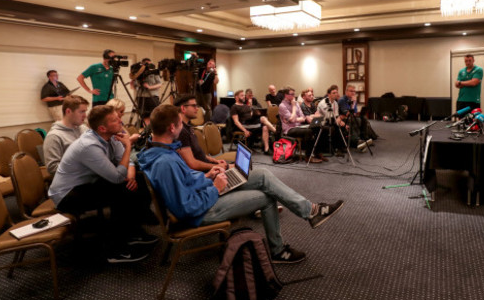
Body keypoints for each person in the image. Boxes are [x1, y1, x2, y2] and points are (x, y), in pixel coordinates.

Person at [137, 104, 344, 263]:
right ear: (172, 127)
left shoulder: (158, 151)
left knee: (261, 174)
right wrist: (215, 189)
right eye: (180, 124)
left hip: (203, 194)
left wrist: (207, 176)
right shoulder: (165, 162)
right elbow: (185, 208)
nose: (183, 127)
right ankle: (278, 250)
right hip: (201, 212)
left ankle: (311, 211)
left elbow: (184, 182)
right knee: (265, 197)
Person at [48, 105, 156, 263]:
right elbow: (118, 176)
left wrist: (131, 175)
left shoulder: (111, 135)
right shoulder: (89, 146)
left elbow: (126, 164)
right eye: (114, 119)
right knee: (120, 190)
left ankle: (133, 231)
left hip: (87, 184)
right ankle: (115, 250)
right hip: (66, 195)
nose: (121, 120)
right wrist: (128, 147)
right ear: (102, 128)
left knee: (137, 179)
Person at [174, 94, 229, 172]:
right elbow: (192, 164)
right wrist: (216, 166)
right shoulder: (181, 131)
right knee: (247, 175)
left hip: (209, 166)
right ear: (183, 108)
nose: (197, 109)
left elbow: (199, 154)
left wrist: (214, 160)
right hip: (205, 173)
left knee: (240, 170)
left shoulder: (188, 127)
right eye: (194, 106)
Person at [43, 95, 89, 175]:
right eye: (82, 112)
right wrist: (83, 166)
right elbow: (53, 168)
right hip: (73, 181)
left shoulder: (84, 129)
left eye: (85, 111)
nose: (85, 115)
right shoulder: (54, 136)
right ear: (68, 111)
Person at [279, 86, 324, 163]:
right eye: (292, 94)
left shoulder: (296, 103)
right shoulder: (282, 106)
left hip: (299, 126)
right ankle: (308, 157)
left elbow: (303, 117)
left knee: (319, 128)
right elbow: (292, 119)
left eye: (294, 94)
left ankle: (317, 153)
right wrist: (293, 107)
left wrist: (294, 119)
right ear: (286, 95)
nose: (294, 96)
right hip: (289, 129)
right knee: (309, 132)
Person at [231, 89, 277, 154]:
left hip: (251, 123)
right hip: (245, 124)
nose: (244, 97)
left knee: (265, 127)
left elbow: (250, 115)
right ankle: (276, 132)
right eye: (242, 96)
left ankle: (267, 149)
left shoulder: (246, 106)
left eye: (244, 95)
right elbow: (236, 122)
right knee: (263, 118)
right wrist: (245, 130)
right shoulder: (234, 107)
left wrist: (253, 110)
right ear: (236, 97)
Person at [317, 85, 348, 153]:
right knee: (337, 126)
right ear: (329, 94)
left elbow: (336, 115)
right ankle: (338, 147)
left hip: (332, 120)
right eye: (333, 93)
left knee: (343, 125)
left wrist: (340, 121)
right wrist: (339, 120)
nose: (336, 94)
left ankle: (341, 147)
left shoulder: (335, 103)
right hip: (323, 121)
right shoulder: (323, 103)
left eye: (336, 92)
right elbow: (328, 116)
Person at [195, 58, 218, 122]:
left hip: (207, 93)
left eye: (211, 63)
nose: (208, 63)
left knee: (207, 108)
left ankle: (208, 122)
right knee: (197, 106)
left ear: (213, 66)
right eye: (208, 62)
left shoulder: (213, 73)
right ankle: (197, 120)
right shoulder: (202, 69)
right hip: (198, 91)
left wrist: (216, 73)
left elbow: (216, 82)